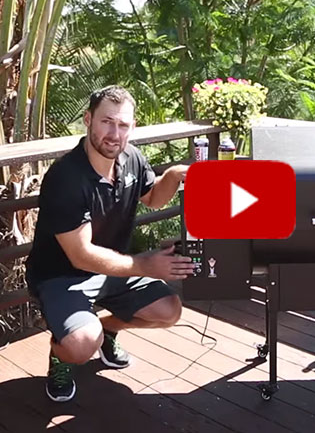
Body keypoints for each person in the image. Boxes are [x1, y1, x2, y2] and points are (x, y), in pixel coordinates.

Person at [25, 85, 195, 402]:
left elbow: (153, 198)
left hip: (111, 269)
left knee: (169, 310)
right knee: (81, 344)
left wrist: (173, 175)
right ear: (88, 119)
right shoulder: (65, 178)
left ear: (132, 127)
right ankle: (60, 355)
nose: (114, 134)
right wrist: (145, 265)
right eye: (106, 122)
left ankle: (107, 329)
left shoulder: (131, 158)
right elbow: (80, 255)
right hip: (62, 276)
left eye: (123, 125)